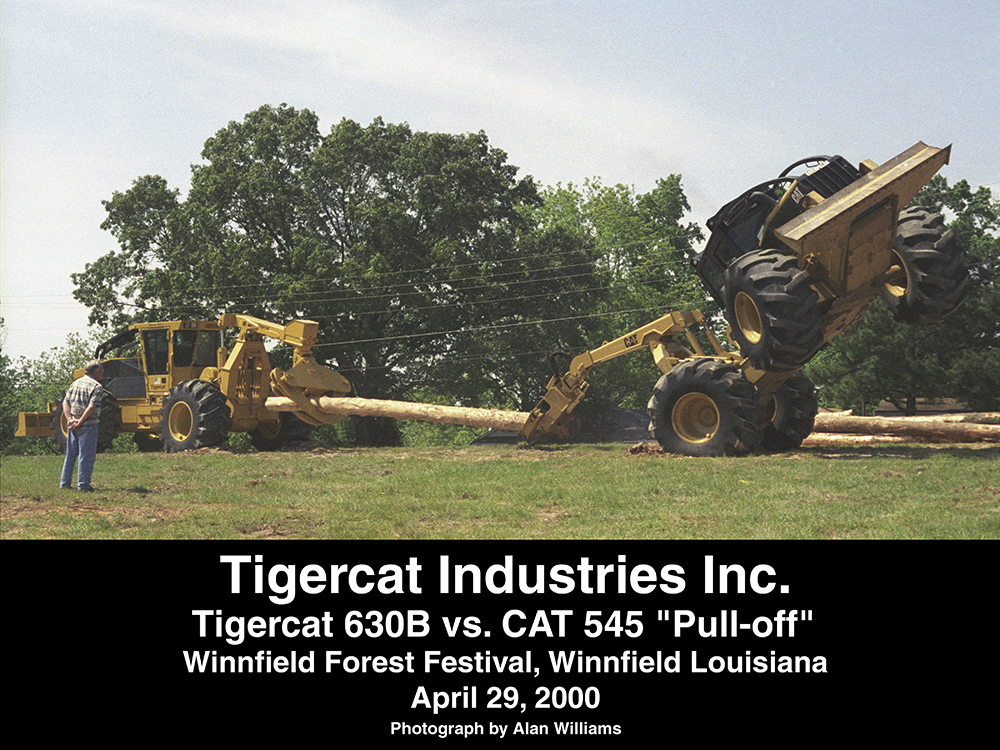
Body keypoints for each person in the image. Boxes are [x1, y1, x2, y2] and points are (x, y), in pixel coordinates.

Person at [60, 359, 105, 492]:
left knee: (71, 455)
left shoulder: (75, 384)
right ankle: (83, 485)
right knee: (86, 455)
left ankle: (64, 483)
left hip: (72, 425)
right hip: (88, 425)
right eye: (101, 369)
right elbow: (92, 407)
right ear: (95, 371)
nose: (103, 372)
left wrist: (69, 419)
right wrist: (81, 421)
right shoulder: (96, 387)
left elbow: (65, 402)